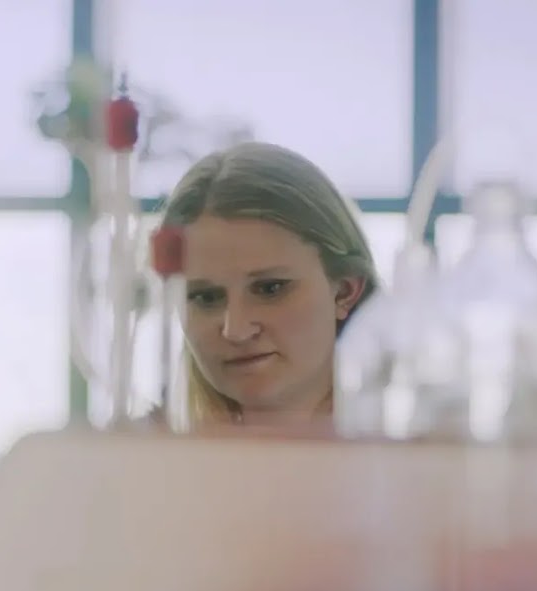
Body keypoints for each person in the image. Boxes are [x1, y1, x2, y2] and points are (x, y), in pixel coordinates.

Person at [159, 142, 380, 428]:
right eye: (206, 297)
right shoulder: (157, 463)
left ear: (345, 291)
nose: (235, 330)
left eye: (270, 289)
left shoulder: (422, 460)